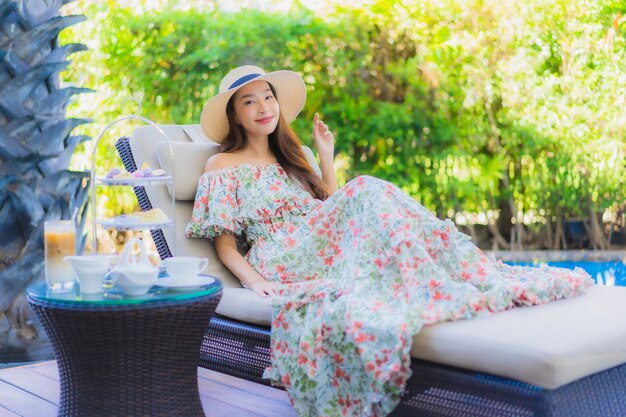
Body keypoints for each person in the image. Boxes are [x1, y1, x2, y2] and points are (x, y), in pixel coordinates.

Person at [186, 65, 593, 417]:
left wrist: (325, 156)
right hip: (282, 253)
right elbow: (225, 247)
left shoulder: (298, 156)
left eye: (268, 97)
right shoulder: (222, 166)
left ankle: (447, 271)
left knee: (366, 190)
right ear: (236, 116)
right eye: (249, 102)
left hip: (319, 240)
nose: (264, 108)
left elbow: (331, 206)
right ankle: (433, 276)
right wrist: (254, 281)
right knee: (367, 188)